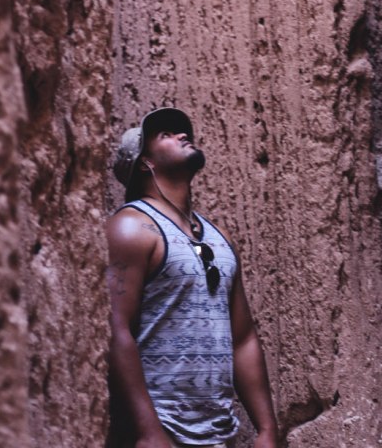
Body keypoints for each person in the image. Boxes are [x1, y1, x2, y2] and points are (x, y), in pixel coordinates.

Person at [106, 106, 280, 448]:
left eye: (182, 131)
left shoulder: (219, 237)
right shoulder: (131, 228)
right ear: (145, 162)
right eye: (165, 135)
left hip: (219, 431)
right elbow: (115, 328)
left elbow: (242, 336)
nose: (182, 135)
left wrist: (266, 428)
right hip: (162, 430)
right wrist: (148, 432)